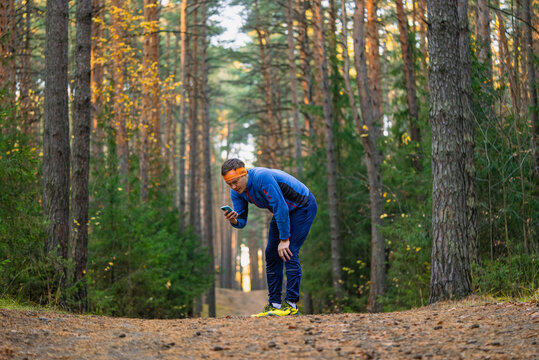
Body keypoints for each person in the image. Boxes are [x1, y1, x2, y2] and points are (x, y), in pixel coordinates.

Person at [220, 158, 317, 317]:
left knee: (289, 251)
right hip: (284, 212)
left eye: (235, 181)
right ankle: (274, 305)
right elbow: (242, 220)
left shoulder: (261, 177)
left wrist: (284, 239)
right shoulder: (236, 192)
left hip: (303, 206)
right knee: (271, 254)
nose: (233, 187)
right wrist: (234, 220)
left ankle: (291, 305)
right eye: (229, 184)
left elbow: (280, 206)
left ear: (244, 173)